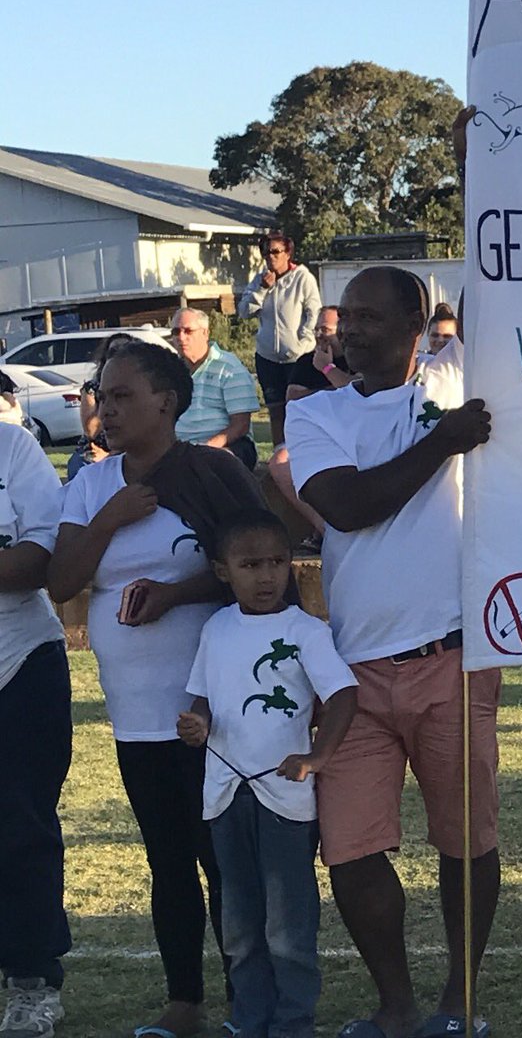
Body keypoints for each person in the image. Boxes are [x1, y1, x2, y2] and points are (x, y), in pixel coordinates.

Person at [286, 266, 498, 1038]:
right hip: (352, 672)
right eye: (349, 318)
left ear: (420, 320)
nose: (354, 329)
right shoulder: (316, 414)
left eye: (375, 316)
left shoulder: (459, 373)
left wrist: (492, 164)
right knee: (349, 848)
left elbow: (502, 289)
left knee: (465, 839)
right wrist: (443, 444)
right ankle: (397, 1008)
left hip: (455, 654)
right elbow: (345, 507)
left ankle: (458, 1004)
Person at [47, 341, 267, 1038]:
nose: (105, 410)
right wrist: (112, 516)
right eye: (101, 397)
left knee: (222, 859)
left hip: (210, 709)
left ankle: (247, 1000)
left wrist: (176, 594)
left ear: (168, 401)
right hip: (135, 714)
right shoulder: (90, 482)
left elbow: (259, 561)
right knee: (166, 860)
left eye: (122, 396)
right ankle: (183, 1003)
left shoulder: (213, 469)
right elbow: (61, 582)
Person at [177, 509, 358, 1038]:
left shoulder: (306, 631)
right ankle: (248, 1018)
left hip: (285, 798)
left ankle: (293, 1021)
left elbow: (344, 695)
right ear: (222, 570)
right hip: (225, 794)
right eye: (250, 564)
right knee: (238, 921)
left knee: (287, 925)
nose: (265, 575)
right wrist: (197, 725)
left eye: (276, 562)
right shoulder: (215, 628)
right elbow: (203, 698)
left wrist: (317, 758)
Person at [0, 424, 72, 1038]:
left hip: (19, 661)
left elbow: (40, 559)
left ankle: (31, 982)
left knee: (22, 830)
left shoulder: (12, 446)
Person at [267, 307, 353, 552]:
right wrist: (336, 391)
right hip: (310, 436)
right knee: (279, 462)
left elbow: (358, 390)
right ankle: (325, 528)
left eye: (325, 329)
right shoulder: (307, 361)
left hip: (346, 436)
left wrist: (328, 370)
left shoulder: (354, 359)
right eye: (317, 329)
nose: (319, 335)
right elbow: (293, 398)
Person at [238, 233, 321, 447]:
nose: (270, 257)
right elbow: (244, 311)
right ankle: (278, 457)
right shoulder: (260, 280)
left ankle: (302, 455)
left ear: (288, 253)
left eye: (275, 252)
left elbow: (314, 314)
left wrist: (302, 344)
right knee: (276, 412)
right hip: (267, 358)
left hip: (298, 358)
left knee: (299, 411)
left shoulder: (303, 278)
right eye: (266, 253)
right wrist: (262, 289)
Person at [170, 309, 260, 470]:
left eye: (188, 331)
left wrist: (205, 449)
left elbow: (240, 426)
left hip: (228, 445)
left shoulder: (229, 368)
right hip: (181, 447)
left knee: (214, 463)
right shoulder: (170, 371)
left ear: (205, 333)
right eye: (176, 331)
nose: (181, 337)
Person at [67, 332, 139, 481]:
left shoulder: (139, 389)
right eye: (113, 352)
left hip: (127, 450)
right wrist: (104, 397)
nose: (119, 356)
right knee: (81, 464)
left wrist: (111, 456)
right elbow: (91, 430)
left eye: (125, 350)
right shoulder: (92, 388)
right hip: (94, 449)